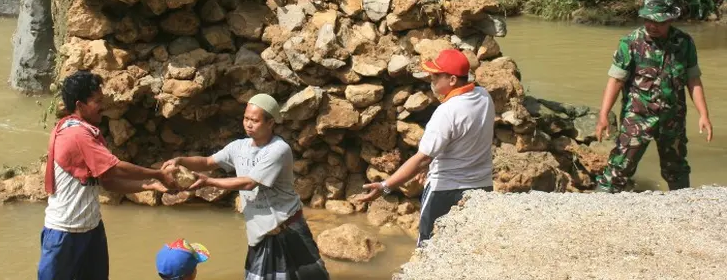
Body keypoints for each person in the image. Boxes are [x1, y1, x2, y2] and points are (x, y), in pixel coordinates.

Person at [163, 94, 329, 280]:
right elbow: (208, 162)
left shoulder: (278, 149)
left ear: (270, 123)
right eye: (246, 118)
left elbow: (249, 182)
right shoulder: (239, 147)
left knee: (311, 276)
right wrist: (180, 160)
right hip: (259, 230)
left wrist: (209, 182)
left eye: (255, 120)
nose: (248, 124)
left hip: (288, 226)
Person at [38, 70, 177, 280]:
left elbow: (109, 182)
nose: (102, 106)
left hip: (90, 228)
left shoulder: (87, 131)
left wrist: (148, 186)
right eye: (97, 101)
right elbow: (114, 168)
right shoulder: (76, 134)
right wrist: (158, 174)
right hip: (64, 233)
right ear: (79, 105)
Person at [358, 49, 495, 246]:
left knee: (428, 248)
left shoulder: (446, 112)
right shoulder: (483, 97)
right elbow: (464, 139)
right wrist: (429, 164)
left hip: (445, 191)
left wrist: (385, 186)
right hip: (482, 186)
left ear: (453, 80)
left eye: (436, 76)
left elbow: (422, 158)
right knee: (469, 248)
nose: (431, 79)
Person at [595, 0, 713, 193]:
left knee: (676, 168)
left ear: (670, 19)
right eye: (648, 20)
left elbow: (693, 79)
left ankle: (682, 205)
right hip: (637, 116)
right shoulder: (630, 43)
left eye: (658, 22)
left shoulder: (684, 43)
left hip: (672, 118)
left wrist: (704, 114)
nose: (652, 26)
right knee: (620, 167)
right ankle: (599, 208)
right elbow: (616, 80)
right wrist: (603, 114)